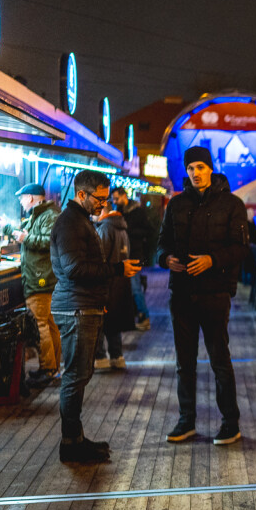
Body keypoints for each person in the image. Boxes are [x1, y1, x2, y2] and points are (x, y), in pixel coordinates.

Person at [157, 146, 248, 445]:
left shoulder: (232, 204)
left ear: (211, 168)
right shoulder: (176, 204)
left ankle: (230, 423)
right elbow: (162, 242)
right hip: (182, 292)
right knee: (185, 362)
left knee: (219, 359)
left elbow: (240, 248)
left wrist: (212, 260)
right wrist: (165, 258)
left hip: (215, 292)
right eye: (191, 167)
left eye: (200, 167)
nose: (195, 173)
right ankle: (187, 421)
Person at [50, 171, 141, 463]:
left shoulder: (81, 222)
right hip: (76, 307)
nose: (103, 204)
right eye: (99, 199)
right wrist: (116, 269)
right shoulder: (70, 223)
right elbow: (75, 269)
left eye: (105, 198)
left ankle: (76, 438)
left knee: (81, 375)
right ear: (81, 194)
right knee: (76, 376)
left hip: (83, 305)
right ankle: (70, 443)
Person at [13, 183, 61, 385]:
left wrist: (25, 238)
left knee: (41, 324)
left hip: (40, 279)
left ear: (32, 198)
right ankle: (52, 368)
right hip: (43, 277)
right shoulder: (42, 214)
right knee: (49, 324)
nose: (21, 202)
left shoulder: (48, 215)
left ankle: (48, 369)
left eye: (22, 198)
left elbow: (49, 242)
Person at [93, 201, 132, 370]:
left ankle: (100, 357)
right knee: (113, 321)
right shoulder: (121, 227)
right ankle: (117, 356)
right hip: (120, 280)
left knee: (99, 321)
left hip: (106, 280)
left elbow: (99, 258)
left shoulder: (104, 229)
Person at [111, 186, 153, 330]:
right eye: (114, 199)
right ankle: (134, 315)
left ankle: (144, 316)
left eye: (117, 198)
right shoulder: (118, 211)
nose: (115, 201)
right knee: (127, 288)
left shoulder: (137, 211)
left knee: (135, 288)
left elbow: (148, 230)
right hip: (122, 254)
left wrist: (128, 231)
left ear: (124, 196)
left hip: (134, 254)